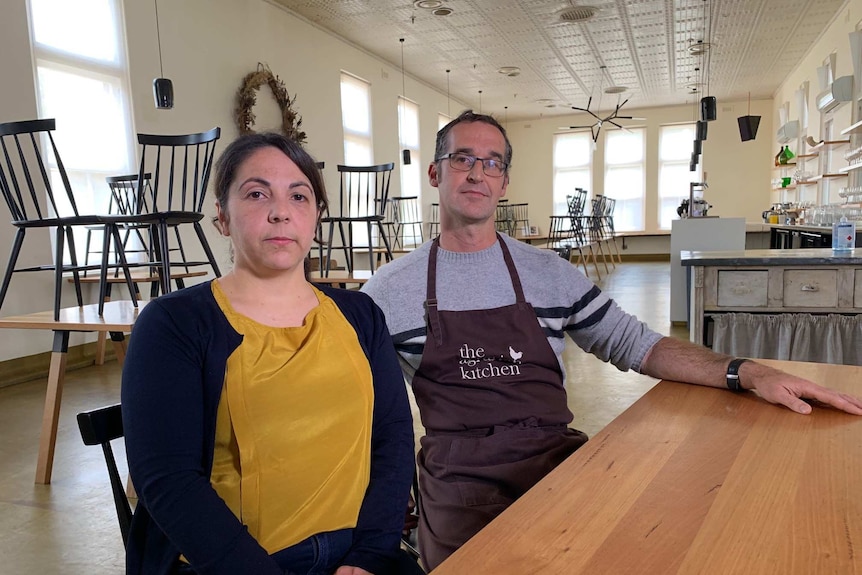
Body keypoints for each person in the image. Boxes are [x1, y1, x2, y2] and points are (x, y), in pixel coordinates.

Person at [360, 110, 862, 571]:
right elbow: (360, 405)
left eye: (492, 163)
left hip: (556, 463)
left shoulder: (547, 273)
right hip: (459, 482)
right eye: (462, 158)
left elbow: (635, 343)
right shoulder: (387, 292)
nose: (476, 173)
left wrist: (747, 371)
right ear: (434, 172)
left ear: (505, 181)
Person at [121, 132, 416, 575]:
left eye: (299, 196)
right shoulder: (174, 324)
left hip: (359, 552)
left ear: (315, 215)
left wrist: (372, 553)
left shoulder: (359, 314)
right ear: (221, 217)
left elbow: (393, 434)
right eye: (257, 194)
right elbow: (168, 481)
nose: (281, 212)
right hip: (238, 563)